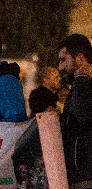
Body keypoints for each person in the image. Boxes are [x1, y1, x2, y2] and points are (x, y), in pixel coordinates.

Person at [57, 34, 92, 188]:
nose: (60, 67)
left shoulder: (84, 83)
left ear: (79, 58)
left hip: (85, 175)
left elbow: (83, 115)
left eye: (63, 60)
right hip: (78, 174)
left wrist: (82, 77)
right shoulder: (79, 85)